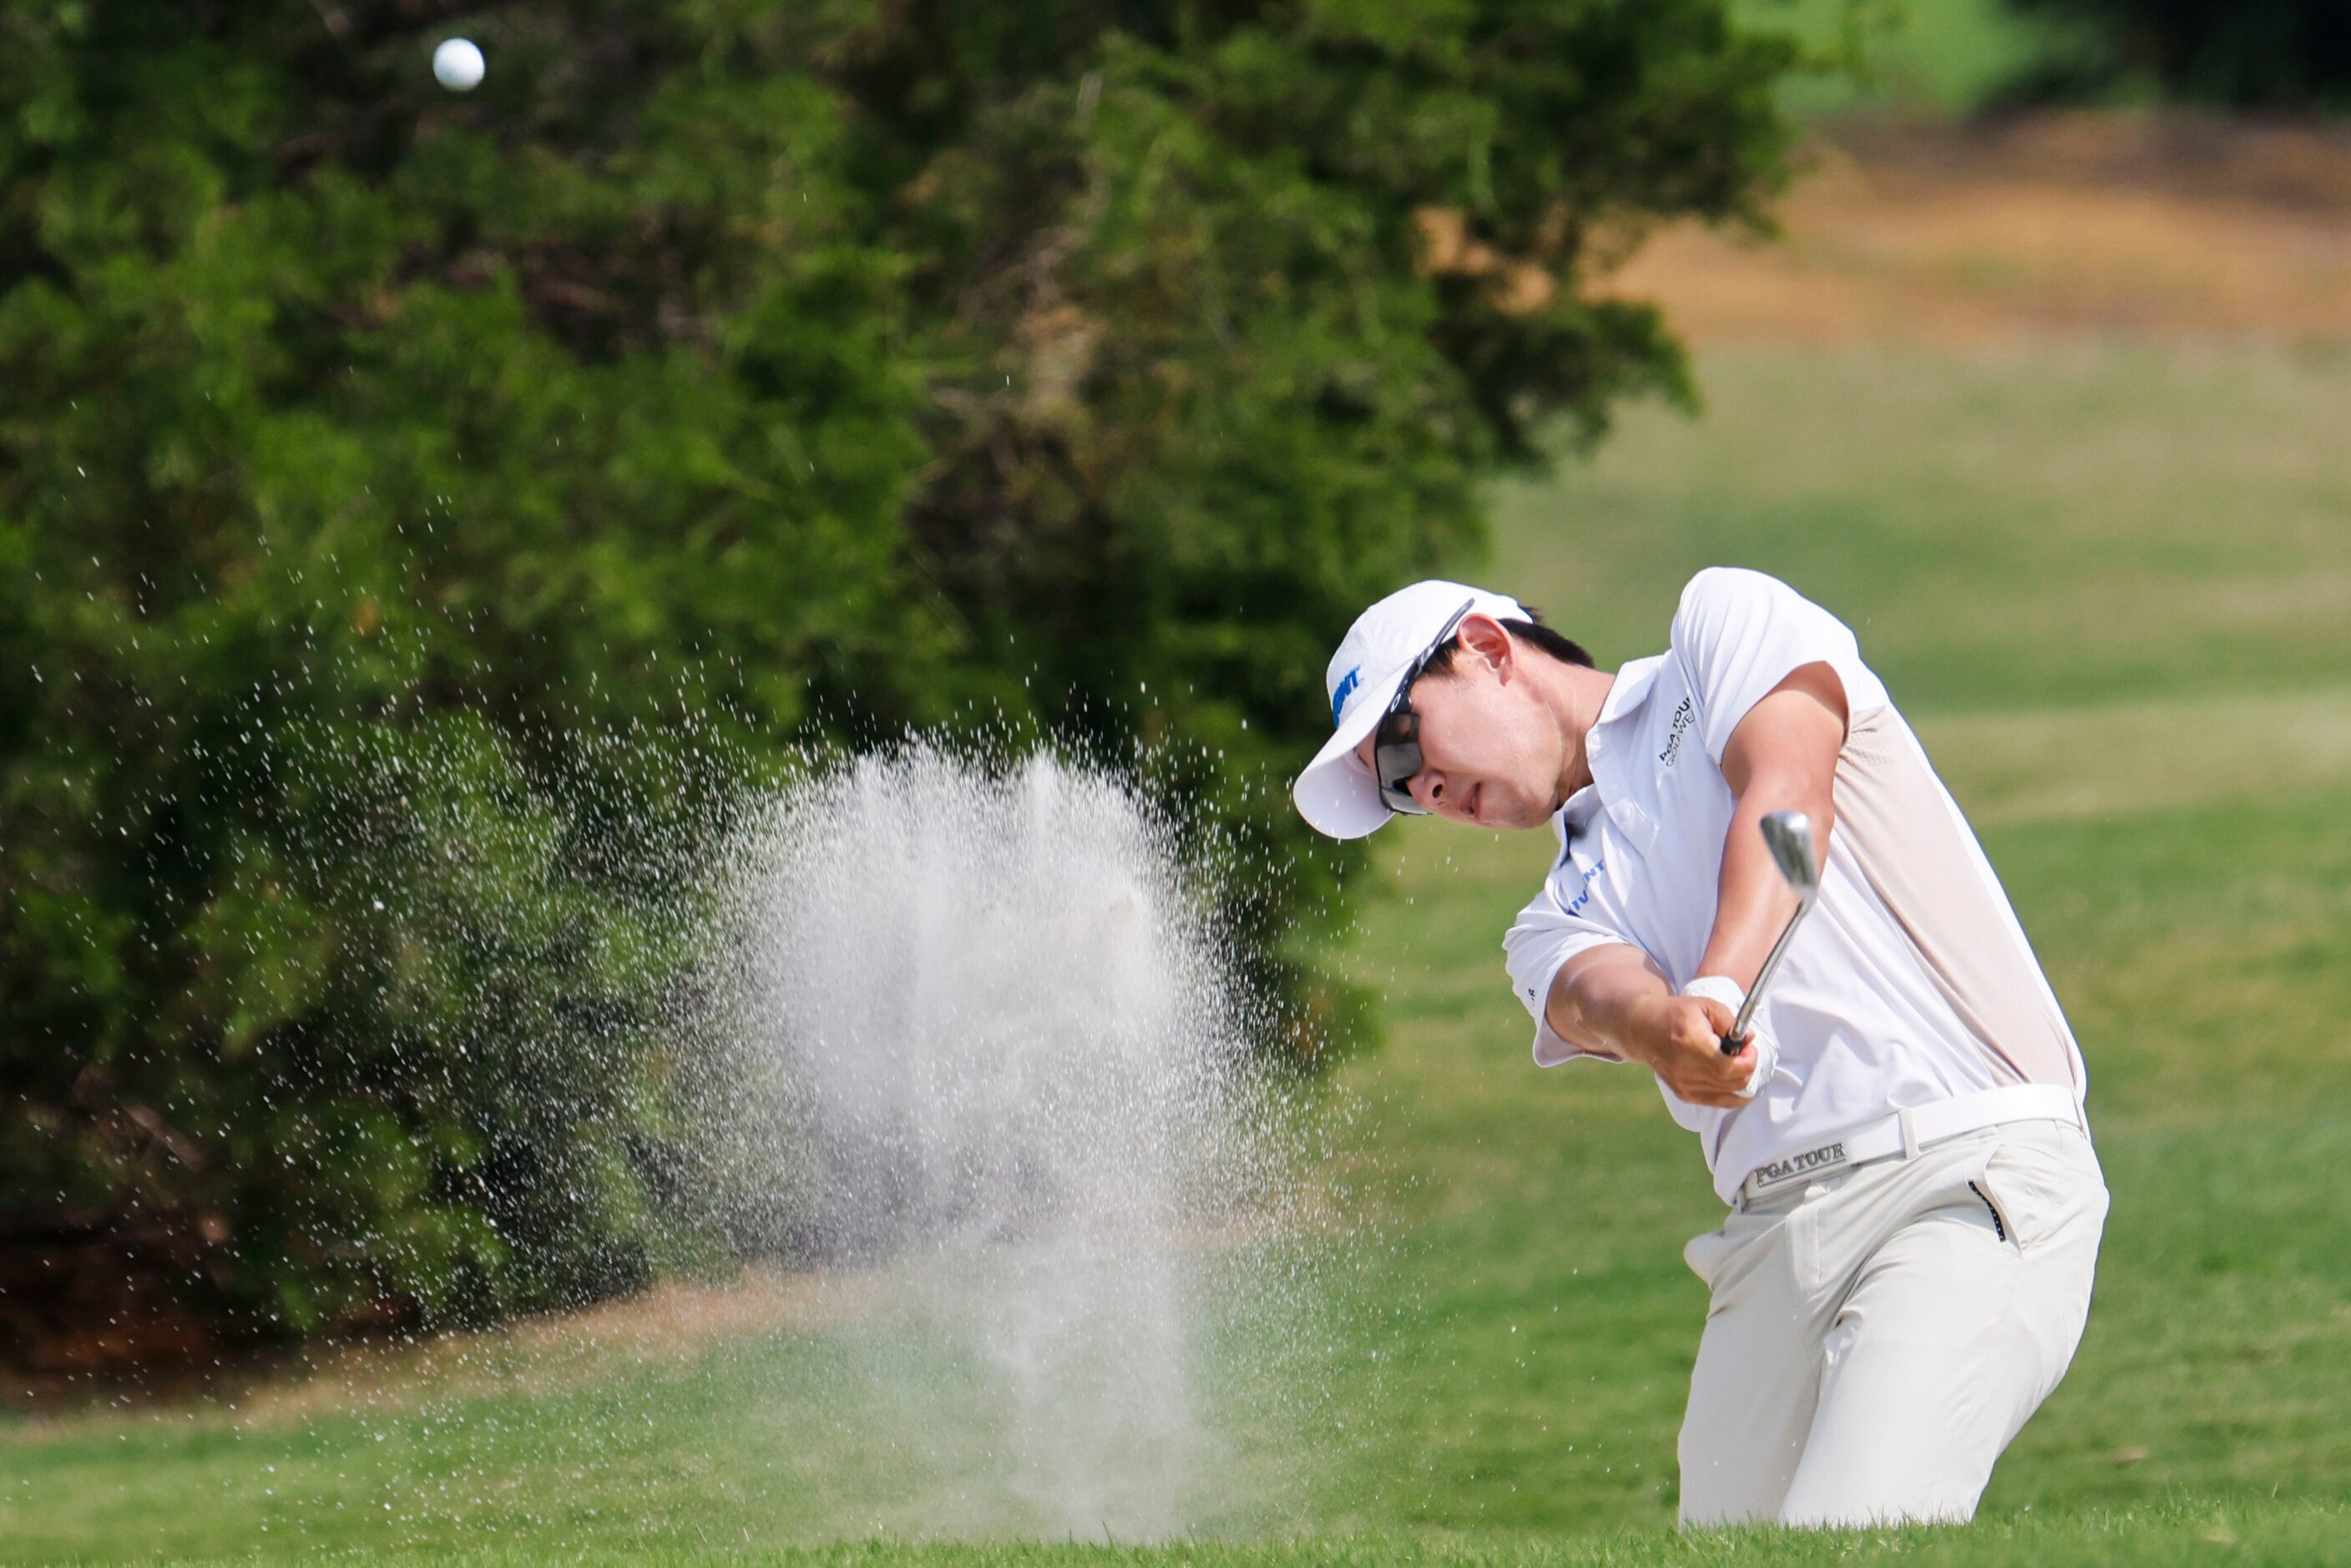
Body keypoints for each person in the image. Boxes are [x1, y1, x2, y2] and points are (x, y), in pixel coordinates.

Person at [1290, 567, 2109, 1528]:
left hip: (1963, 1173)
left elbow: (1793, 809)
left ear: (1486, 649)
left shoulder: (1717, 632)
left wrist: (1717, 983)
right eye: (1394, 792)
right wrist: (1663, 1029)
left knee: (1851, 1532)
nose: (1419, 789)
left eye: (1400, 742)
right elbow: (1598, 999)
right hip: (1769, 1242)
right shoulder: (1548, 920)